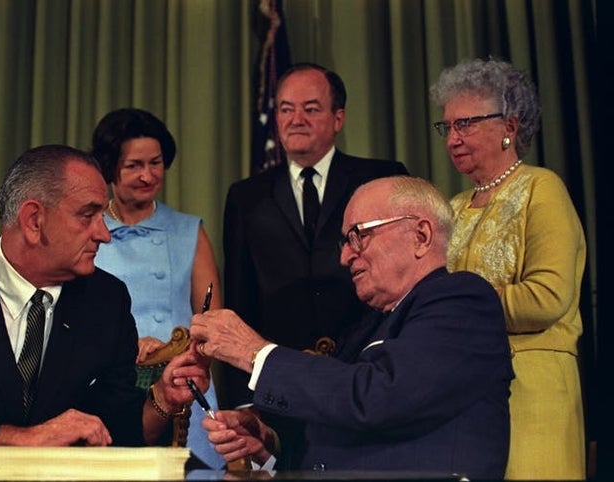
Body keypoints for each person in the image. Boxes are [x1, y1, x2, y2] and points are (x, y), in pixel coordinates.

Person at [192, 176, 514, 479]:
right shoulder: (368, 324)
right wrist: (269, 443)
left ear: (421, 236)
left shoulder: (463, 302)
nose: (345, 257)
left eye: (358, 236)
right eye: (344, 242)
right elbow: (336, 424)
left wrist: (254, 352)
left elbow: (378, 398)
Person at [0, 144, 209, 447]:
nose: (104, 234)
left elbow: (119, 431)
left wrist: (163, 400)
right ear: (34, 221)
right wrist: (19, 439)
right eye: (88, 216)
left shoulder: (106, 301)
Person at [429, 58, 587, 480]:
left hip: (534, 393)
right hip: (465, 395)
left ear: (510, 127)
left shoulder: (542, 188)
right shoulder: (453, 207)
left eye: (466, 124)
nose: (453, 139)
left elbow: (549, 297)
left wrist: (457, 312)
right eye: (447, 127)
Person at [222, 62, 408, 418]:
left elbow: (406, 283)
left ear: (338, 118)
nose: (296, 119)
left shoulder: (383, 177)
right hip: (278, 380)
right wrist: (243, 399)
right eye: (286, 109)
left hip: (368, 371)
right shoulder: (246, 196)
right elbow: (240, 298)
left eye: (311, 109)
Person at [90, 108, 224, 469]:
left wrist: (171, 352)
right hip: (109, 386)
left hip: (182, 383)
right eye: (134, 165)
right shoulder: (88, 233)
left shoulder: (188, 230)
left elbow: (213, 320)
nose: (147, 175)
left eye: (156, 163)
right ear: (109, 167)